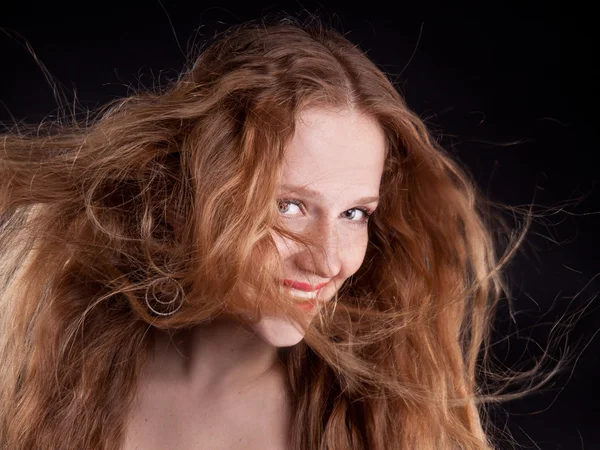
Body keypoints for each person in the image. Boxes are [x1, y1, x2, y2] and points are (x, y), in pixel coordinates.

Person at [0, 17, 558, 450]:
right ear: (193, 189)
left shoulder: (375, 420)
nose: (328, 261)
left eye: (355, 214)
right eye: (290, 207)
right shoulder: (44, 372)